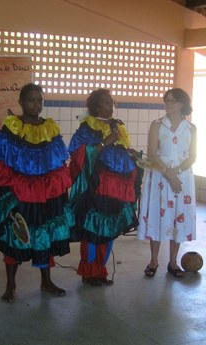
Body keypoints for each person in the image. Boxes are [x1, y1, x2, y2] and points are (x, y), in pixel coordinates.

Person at [0, 83, 72, 302]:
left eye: (40, 100)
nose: (36, 104)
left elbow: (58, 163)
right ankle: (10, 285)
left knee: (44, 235)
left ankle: (46, 281)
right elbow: (0, 163)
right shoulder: (11, 127)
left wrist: (59, 194)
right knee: (16, 236)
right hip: (19, 194)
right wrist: (5, 197)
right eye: (31, 100)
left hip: (45, 194)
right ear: (21, 102)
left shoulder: (50, 127)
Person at [67, 88, 140, 286]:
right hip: (96, 188)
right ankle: (88, 272)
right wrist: (104, 143)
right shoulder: (87, 128)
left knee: (110, 230)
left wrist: (132, 155)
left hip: (117, 189)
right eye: (106, 102)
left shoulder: (118, 127)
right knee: (93, 230)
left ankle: (100, 270)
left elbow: (121, 150)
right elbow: (78, 155)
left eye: (112, 102)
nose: (111, 105)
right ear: (96, 106)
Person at [137, 88, 197, 278]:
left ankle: (173, 262)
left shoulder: (191, 128)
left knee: (178, 217)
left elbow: (193, 156)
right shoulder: (157, 125)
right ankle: (154, 261)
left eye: (173, 101)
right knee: (157, 216)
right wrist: (169, 176)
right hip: (160, 178)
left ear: (182, 105)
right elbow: (152, 154)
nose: (168, 104)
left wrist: (176, 173)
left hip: (183, 179)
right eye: (167, 100)